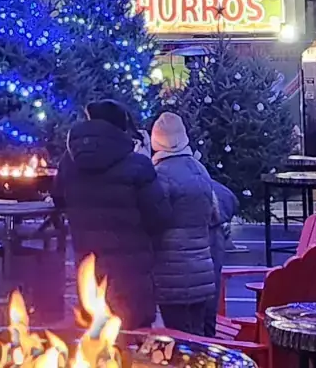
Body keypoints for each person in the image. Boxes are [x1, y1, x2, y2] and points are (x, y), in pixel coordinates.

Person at [55, 101, 160, 329]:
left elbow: (58, 198)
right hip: (131, 274)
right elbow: (158, 215)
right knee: (135, 342)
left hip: (89, 268)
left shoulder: (69, 162)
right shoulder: (138, 165)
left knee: (95, 341)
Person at [145, 113, 235, 337]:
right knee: (198, 338)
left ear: (156, 141)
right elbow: (215, 214)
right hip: (202, 273)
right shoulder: (199, 170)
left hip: (172, 277)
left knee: (181, 340)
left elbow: (154, 221)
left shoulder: (158, 176)